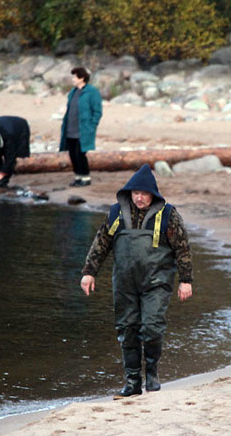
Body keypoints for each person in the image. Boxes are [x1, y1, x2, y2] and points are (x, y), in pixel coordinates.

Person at [80, 164, 193, 399]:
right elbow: (101, 244)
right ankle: (132, 382)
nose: (139, 198)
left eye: (143, 193)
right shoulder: (116, 214)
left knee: (152, 328)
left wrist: (185, 279)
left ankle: (152, 372)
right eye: (135, 193)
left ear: (153, 194)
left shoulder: (168, 215)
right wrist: (89, 272)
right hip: (124, 283)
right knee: (127, 330)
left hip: (157, 282)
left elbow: (182, 248)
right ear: (129, 193)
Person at [59, 67, 103, 187]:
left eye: (74, 77)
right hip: (70, 128)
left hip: (83, 130)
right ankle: (78, 177)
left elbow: (97, 111)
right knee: (72, 154)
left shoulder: (92, 92)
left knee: (80, 154)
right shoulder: (73, 92)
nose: (72, 79)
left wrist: (92, 126)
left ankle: (85, 177)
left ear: (82, 78)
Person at [0, 116, 31, 188]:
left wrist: (2, 174)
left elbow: (10, 157)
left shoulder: (8, 136)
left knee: (19, 154)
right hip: (3, 125)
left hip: (19, 128)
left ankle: (8, 178)